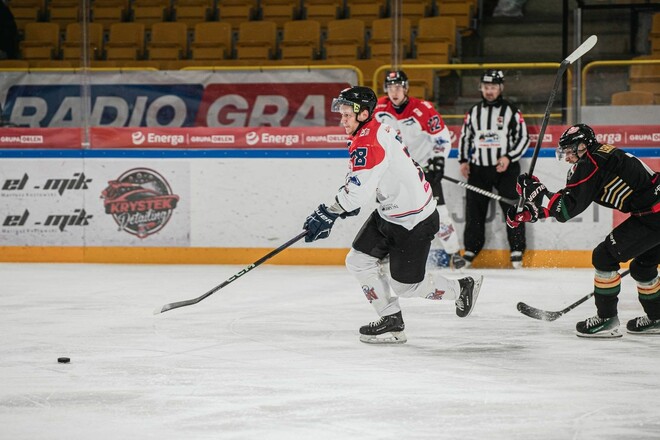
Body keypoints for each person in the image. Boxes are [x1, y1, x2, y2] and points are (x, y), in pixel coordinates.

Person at [303, 86, 484, 344]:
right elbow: (367, 183)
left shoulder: (368, 139)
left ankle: (461, 288)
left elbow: (356, 194)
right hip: (391, 212)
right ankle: (391, 321)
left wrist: (329, 212)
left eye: (346, 115)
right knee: (358, 261)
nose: (342, 120)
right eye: (341, 114)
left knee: (406, 287)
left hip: (413, 221)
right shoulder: (373, 128)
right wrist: (343, 206)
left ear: (364, 113)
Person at [507, 124, 660, 337]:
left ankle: (607, 319)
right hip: (652, 213)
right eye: (565, 151)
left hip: (653, 216)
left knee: (604, 257)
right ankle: (657, 318)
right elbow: (568, 201)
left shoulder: (592, 163)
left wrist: (536, 192)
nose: (567, 156)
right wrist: (534, 211)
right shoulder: (594, 159)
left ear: (582, 145)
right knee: (643, 267)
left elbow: (565, 211)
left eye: (570, 150)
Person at [374, 70, 467, 270]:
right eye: (390, 87)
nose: (394, 91)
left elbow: (441, 137)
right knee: (390, 213)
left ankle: (453, 253)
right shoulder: (379, 108)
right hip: (393, 174)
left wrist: (439, 161)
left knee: (438, 211)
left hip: (423, 172)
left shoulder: (423, 109)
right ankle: (389, 252)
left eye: (398, 87)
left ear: (406, 88)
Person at [458, 69, 530, 269]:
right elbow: (465, 137)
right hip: (478, 170)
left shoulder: (511, 111)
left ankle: (516, 250)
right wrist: (463, 160)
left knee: (513, 208)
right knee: (474, 210)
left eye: (493, 87)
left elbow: (523, 138)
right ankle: (471, 250)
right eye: (486, 87)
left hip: (505, 170)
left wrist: (508, 157)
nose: (489, 91)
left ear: (501, 88)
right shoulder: (473, 112)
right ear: (481, 88)